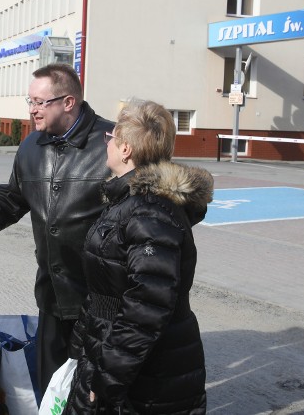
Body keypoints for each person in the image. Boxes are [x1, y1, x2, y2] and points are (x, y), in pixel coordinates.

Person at [0, 63, 113, 394]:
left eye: (40, 102)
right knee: (51, 391)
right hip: (53, 297)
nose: (32, 110)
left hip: (103, 300)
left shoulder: (113, 144)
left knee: (97, 392)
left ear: (68, 102)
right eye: (30, 101)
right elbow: (9, 202)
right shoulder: (31, 146)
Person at [64, 100, 213, 414]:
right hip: (110, 354)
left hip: (145, 376)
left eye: (111, 138)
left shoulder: (150, 213)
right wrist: (81, 343)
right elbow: (106, 286)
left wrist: (108, 376)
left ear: (126, 149)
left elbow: (146, 307)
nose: (107, 143)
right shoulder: (130, 202)